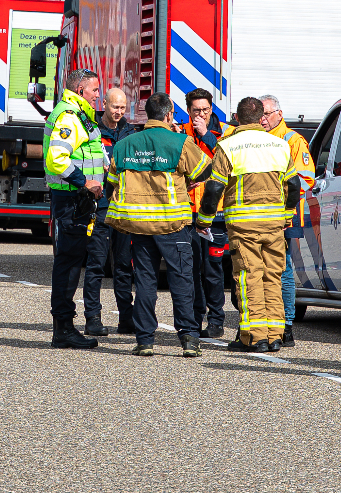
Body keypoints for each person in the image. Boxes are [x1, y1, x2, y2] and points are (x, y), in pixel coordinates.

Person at [106, 92, 210, 357]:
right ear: (168, 115)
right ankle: (188, 338)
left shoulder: (125, 144)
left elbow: (113, 182)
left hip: (138, 224)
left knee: (144, 281)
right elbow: (204, 171)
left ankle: (145, 340)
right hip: (172, 224)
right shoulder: (180, 142)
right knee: (182, 279)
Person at [197, 96, 302, 353]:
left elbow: (214, 188)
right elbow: (295, 186)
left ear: (237, 117)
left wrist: (204, 219)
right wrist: (287, 213)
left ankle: (254, 338)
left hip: (244, 225)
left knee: (248, 277)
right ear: (260, 118)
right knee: (272, 276)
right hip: (275, 224)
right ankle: (276, 334)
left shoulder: (228, 146)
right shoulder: (280, 145)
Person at [44, 68, 107, 349]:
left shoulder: (79, 114)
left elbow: (90, 150)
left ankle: (65, 328)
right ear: (81, 90)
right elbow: (56, 159)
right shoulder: (69, 116)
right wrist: (85, 182)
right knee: (68, 264)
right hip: (71, 200)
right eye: (94, 90)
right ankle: (63, 329)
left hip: (77, 200)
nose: (98, 95)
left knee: (70, 262)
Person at [258, 94, 315, 348]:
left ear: (279, 114)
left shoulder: (292, 140)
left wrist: (274, 192)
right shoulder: (259, 139)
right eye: (260, 115)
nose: (263, 119)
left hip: (287, 213)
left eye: (267, 114)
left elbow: (306, 178)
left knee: (283, 269)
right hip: (262, 214)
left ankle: (287, 325)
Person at [82, 86, 135, 336]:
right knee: (96, 266)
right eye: (115, 107)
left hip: (124, 208)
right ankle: (93, 318)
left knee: (123, 267)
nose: (119, 112)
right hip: (100, 207)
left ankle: (126, 318)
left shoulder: (130, 132)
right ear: (105, 104)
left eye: (123, 108)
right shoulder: (92, 130)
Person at [182, 88, 228, 338]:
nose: (201, 114)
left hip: (216, 213)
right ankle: (195, 318)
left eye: (206, 110)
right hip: (188, 212)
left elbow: (224, 157)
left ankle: (217, 320)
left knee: (213, 269)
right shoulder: (181, 132)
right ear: (188, 110)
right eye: (196, 110)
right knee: (191, 269)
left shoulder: (223, 133)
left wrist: (205, 133)